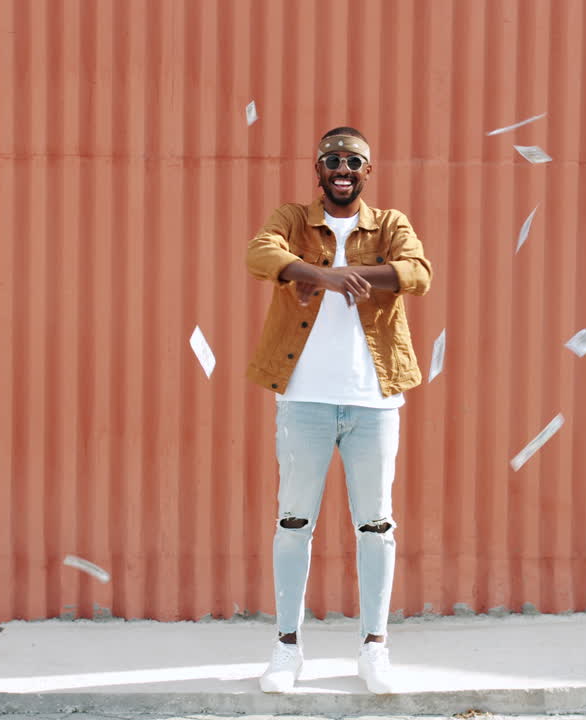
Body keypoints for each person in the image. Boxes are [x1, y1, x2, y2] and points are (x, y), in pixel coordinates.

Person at [244, 127, 433, 694]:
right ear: (319, 168)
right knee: (292, 524)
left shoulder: (391, 224)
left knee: (376, 526)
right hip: (303, 398)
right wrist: (318, 273)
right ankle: (286, 649)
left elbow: (418, 273)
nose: (342, 168)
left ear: (367, 171)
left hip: (373, 401)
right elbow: (259, 253)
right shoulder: (293, 220)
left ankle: (374, 647)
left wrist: (352, 275)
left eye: (353, 160)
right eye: (332, 159)